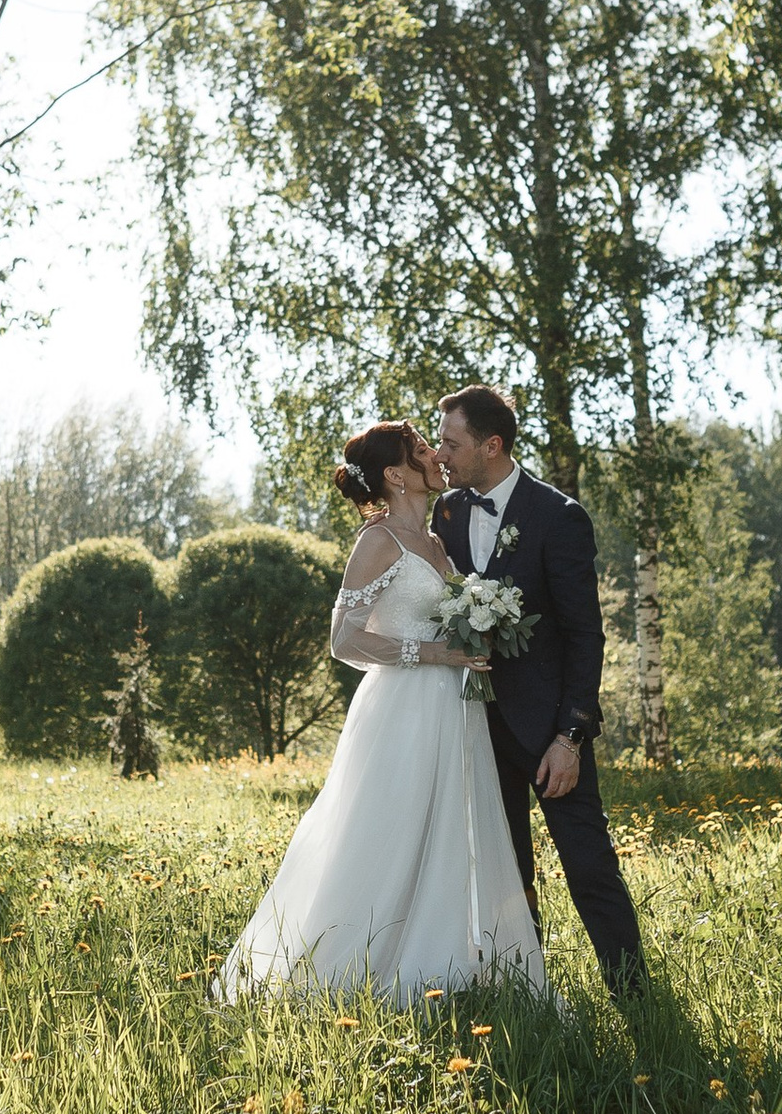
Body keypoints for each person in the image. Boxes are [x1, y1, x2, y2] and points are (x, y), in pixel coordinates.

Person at [212, 420, 547, 1004]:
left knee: (447, 831)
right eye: (423, 451)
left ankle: (445, 965)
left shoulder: (438, 541)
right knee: (387, 830)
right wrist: (437, 651)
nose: (437, 456)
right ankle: (346, 971)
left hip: (453, 707)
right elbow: (343, 640)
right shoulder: (379, 540)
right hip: (402, 706)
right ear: (395, 475)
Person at [432, 383, 643, 989]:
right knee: (503, 872)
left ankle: (633, 994)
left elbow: (585, 635)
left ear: (491, 445)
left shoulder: (558, 516)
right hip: (473, 726)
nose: (441, 453)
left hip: (549, 731)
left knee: (589, 865)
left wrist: (571, 736)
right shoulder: (446, 512)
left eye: (452, 442)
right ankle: (524, 991)